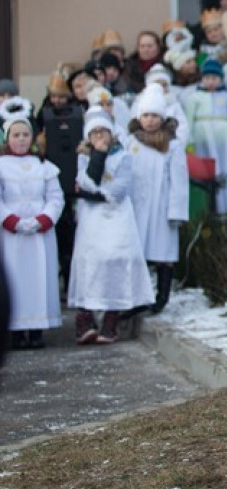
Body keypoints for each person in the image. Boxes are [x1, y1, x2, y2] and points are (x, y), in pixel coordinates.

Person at [67, 110, 154, 344]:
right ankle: (85, 317)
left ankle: (111, 317)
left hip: (117, 216)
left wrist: (94, 194)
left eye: (103, 131)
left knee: (116, 259)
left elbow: (119, 189)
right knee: (90, 261)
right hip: (91, 219)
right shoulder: (84, 156)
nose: (99, 136)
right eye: (94, 132)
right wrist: (98, 155)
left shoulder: (123, 156)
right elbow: (86, 181)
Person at [0, 97, 64, 350]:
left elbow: (55, 197)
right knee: (15, 277)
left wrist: (43, 219)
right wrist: (11, 221)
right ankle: (16, 330)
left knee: (40, 277)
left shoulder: (45, 166)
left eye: (26, 134)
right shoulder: (1, 166)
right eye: (16, 135)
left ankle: (37, 328)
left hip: (40, 233)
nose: (21, 139)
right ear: (7, 138)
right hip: (11, 234)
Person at [126, 85, 189, 313]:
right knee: (138, 253)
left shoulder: (171, 145)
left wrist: (177, 211)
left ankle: (162, 296)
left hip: (162, 208)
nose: (150, 121)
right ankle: (138, 298)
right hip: (137, 206)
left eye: (154, 116)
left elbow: (179, 181)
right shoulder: (130, 143)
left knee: (163, 252)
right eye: (146, 115)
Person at [35, 71, 83, 285]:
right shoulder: (43, 115)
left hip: (72, 178)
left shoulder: (77, 113)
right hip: (53, 177)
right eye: (54, 96)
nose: (57, 101)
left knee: (70, 232)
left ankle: (70, 274)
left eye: (61, 97)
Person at [183, 59, 227, 214]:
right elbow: (188, 121)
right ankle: (207, 209)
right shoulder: (194, 97)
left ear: (220, 79)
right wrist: (189, 142)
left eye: (214, 78)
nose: (210, 82)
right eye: (207, 78)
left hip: (224, 139)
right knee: (206, 170)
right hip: (202, 139)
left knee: (224, 168)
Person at [124, 31, 164, 95]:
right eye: (142, 46)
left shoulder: (166, 64)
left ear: (158, 48)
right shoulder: (129, 66)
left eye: (149, 46)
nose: (146, 49)